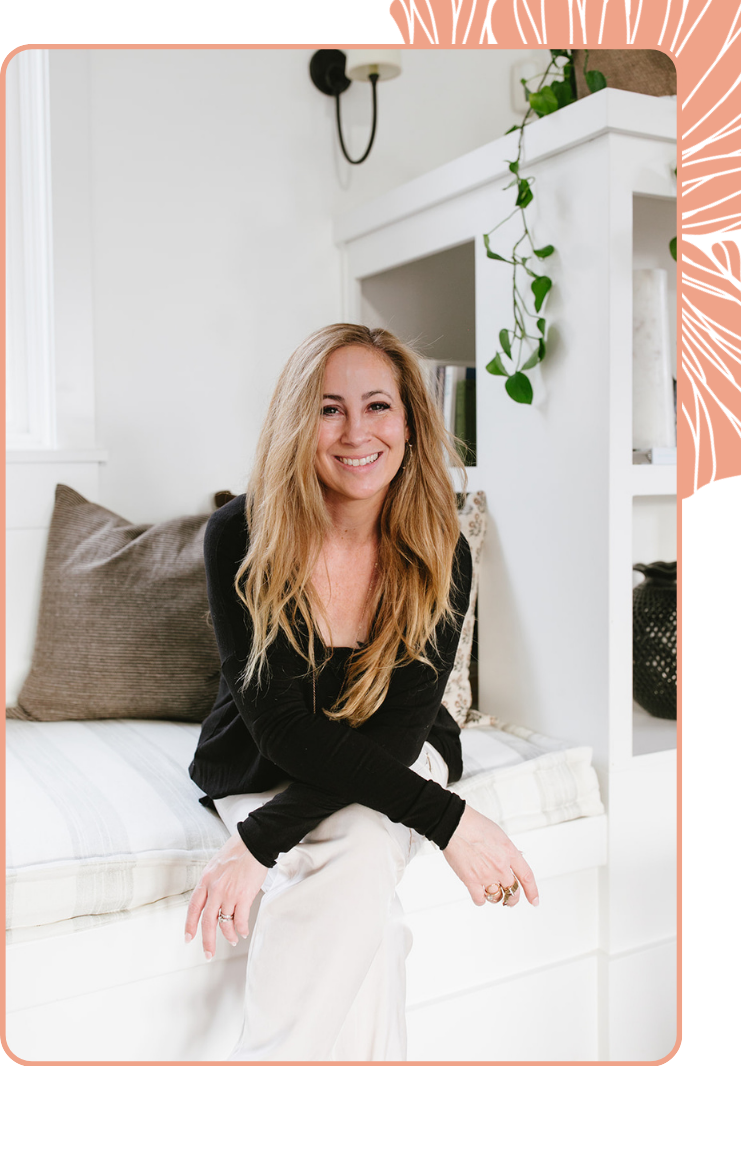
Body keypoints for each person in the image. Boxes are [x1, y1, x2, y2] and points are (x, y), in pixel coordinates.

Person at [185, 323, 539, 1061]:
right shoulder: (240, 534)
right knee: (367, 856)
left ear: (408, 423)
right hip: (263, 759)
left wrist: (258, 842)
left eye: (378, 405)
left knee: (360, 839)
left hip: (401, 748)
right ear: (297, 422)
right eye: (329, 408)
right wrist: (449, 821)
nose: (356, 432)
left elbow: (397, 738)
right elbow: (283, 731)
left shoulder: (442, 549)